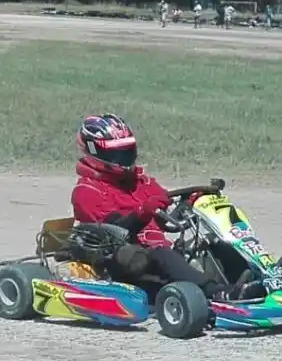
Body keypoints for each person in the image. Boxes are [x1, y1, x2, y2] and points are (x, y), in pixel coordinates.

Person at [71, 113, 249, 301]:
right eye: (117, 153)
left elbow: (167, 210)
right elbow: (113, 232)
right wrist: (142, 213)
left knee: (215, 242)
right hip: (122, 262)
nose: (124, 158)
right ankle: (217, 293)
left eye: (127, 151)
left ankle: (251, 282)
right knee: (163, 255)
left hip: (157, 254)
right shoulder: (87, 191)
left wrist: (189, 202)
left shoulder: (140, 182)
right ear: (94, 151)